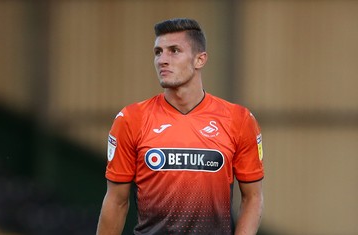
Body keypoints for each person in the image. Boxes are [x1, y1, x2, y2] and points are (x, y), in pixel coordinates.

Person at [97, 18, 264, 235]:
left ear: (200, 60)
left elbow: (253, 197)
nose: (162, 60)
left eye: (174, 51)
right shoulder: (131, 119)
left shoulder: (239, 119)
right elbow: (116, 201)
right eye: (158, 52)